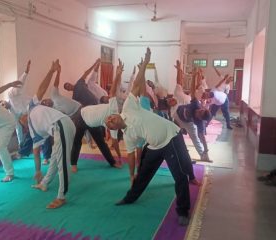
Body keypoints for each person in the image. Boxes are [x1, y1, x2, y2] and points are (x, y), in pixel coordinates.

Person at [105, 48, 198, 226]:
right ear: (112, 128)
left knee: (179, 175)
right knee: (143, 174)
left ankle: (183, 211)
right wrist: (131, 174)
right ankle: (130, 198)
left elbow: (136, 86)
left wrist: (145, 64)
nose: (110, 118)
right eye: (108, 122)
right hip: (155, 146)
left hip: (171, 137)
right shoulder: (128, 136)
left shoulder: (128, 108)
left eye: (110, 116)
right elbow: (131, 156)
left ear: (116, 115)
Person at [26, 59, 76, 209]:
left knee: (62, 163)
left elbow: (41, 89)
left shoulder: (31, 107)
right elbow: (36, 153)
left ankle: (61, 196)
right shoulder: (34, 132)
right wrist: (38, 171)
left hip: (61, 123)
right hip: (58, 128)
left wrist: (52, 71)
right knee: (55, 158)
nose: (21, 118)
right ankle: (44, 183)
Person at [64, 59, 120, 172]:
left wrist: (95, 64)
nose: (69, 87)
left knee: (101, 142)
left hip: (94, 115)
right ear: (68, 90)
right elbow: (77, 107)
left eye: (68, 84)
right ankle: (73, 163)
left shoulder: (80, 83)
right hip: (83, 116)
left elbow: (86, 73)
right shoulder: (74, 97)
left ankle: (112, 162)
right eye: (67, 87)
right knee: (77, 140)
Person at [173, 63, 212, 162]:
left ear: (200, 118)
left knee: (195, 138)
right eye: (201, 110)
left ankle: (203, 156)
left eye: (200, 113)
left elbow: (202, 137)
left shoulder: (199, 123)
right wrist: (194, 76)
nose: (199, 111)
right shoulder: (196, 104)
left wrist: (206, 150)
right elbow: (192, 89)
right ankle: (174, 151)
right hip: (177, 115)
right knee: (174, 133)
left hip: (188, 123)